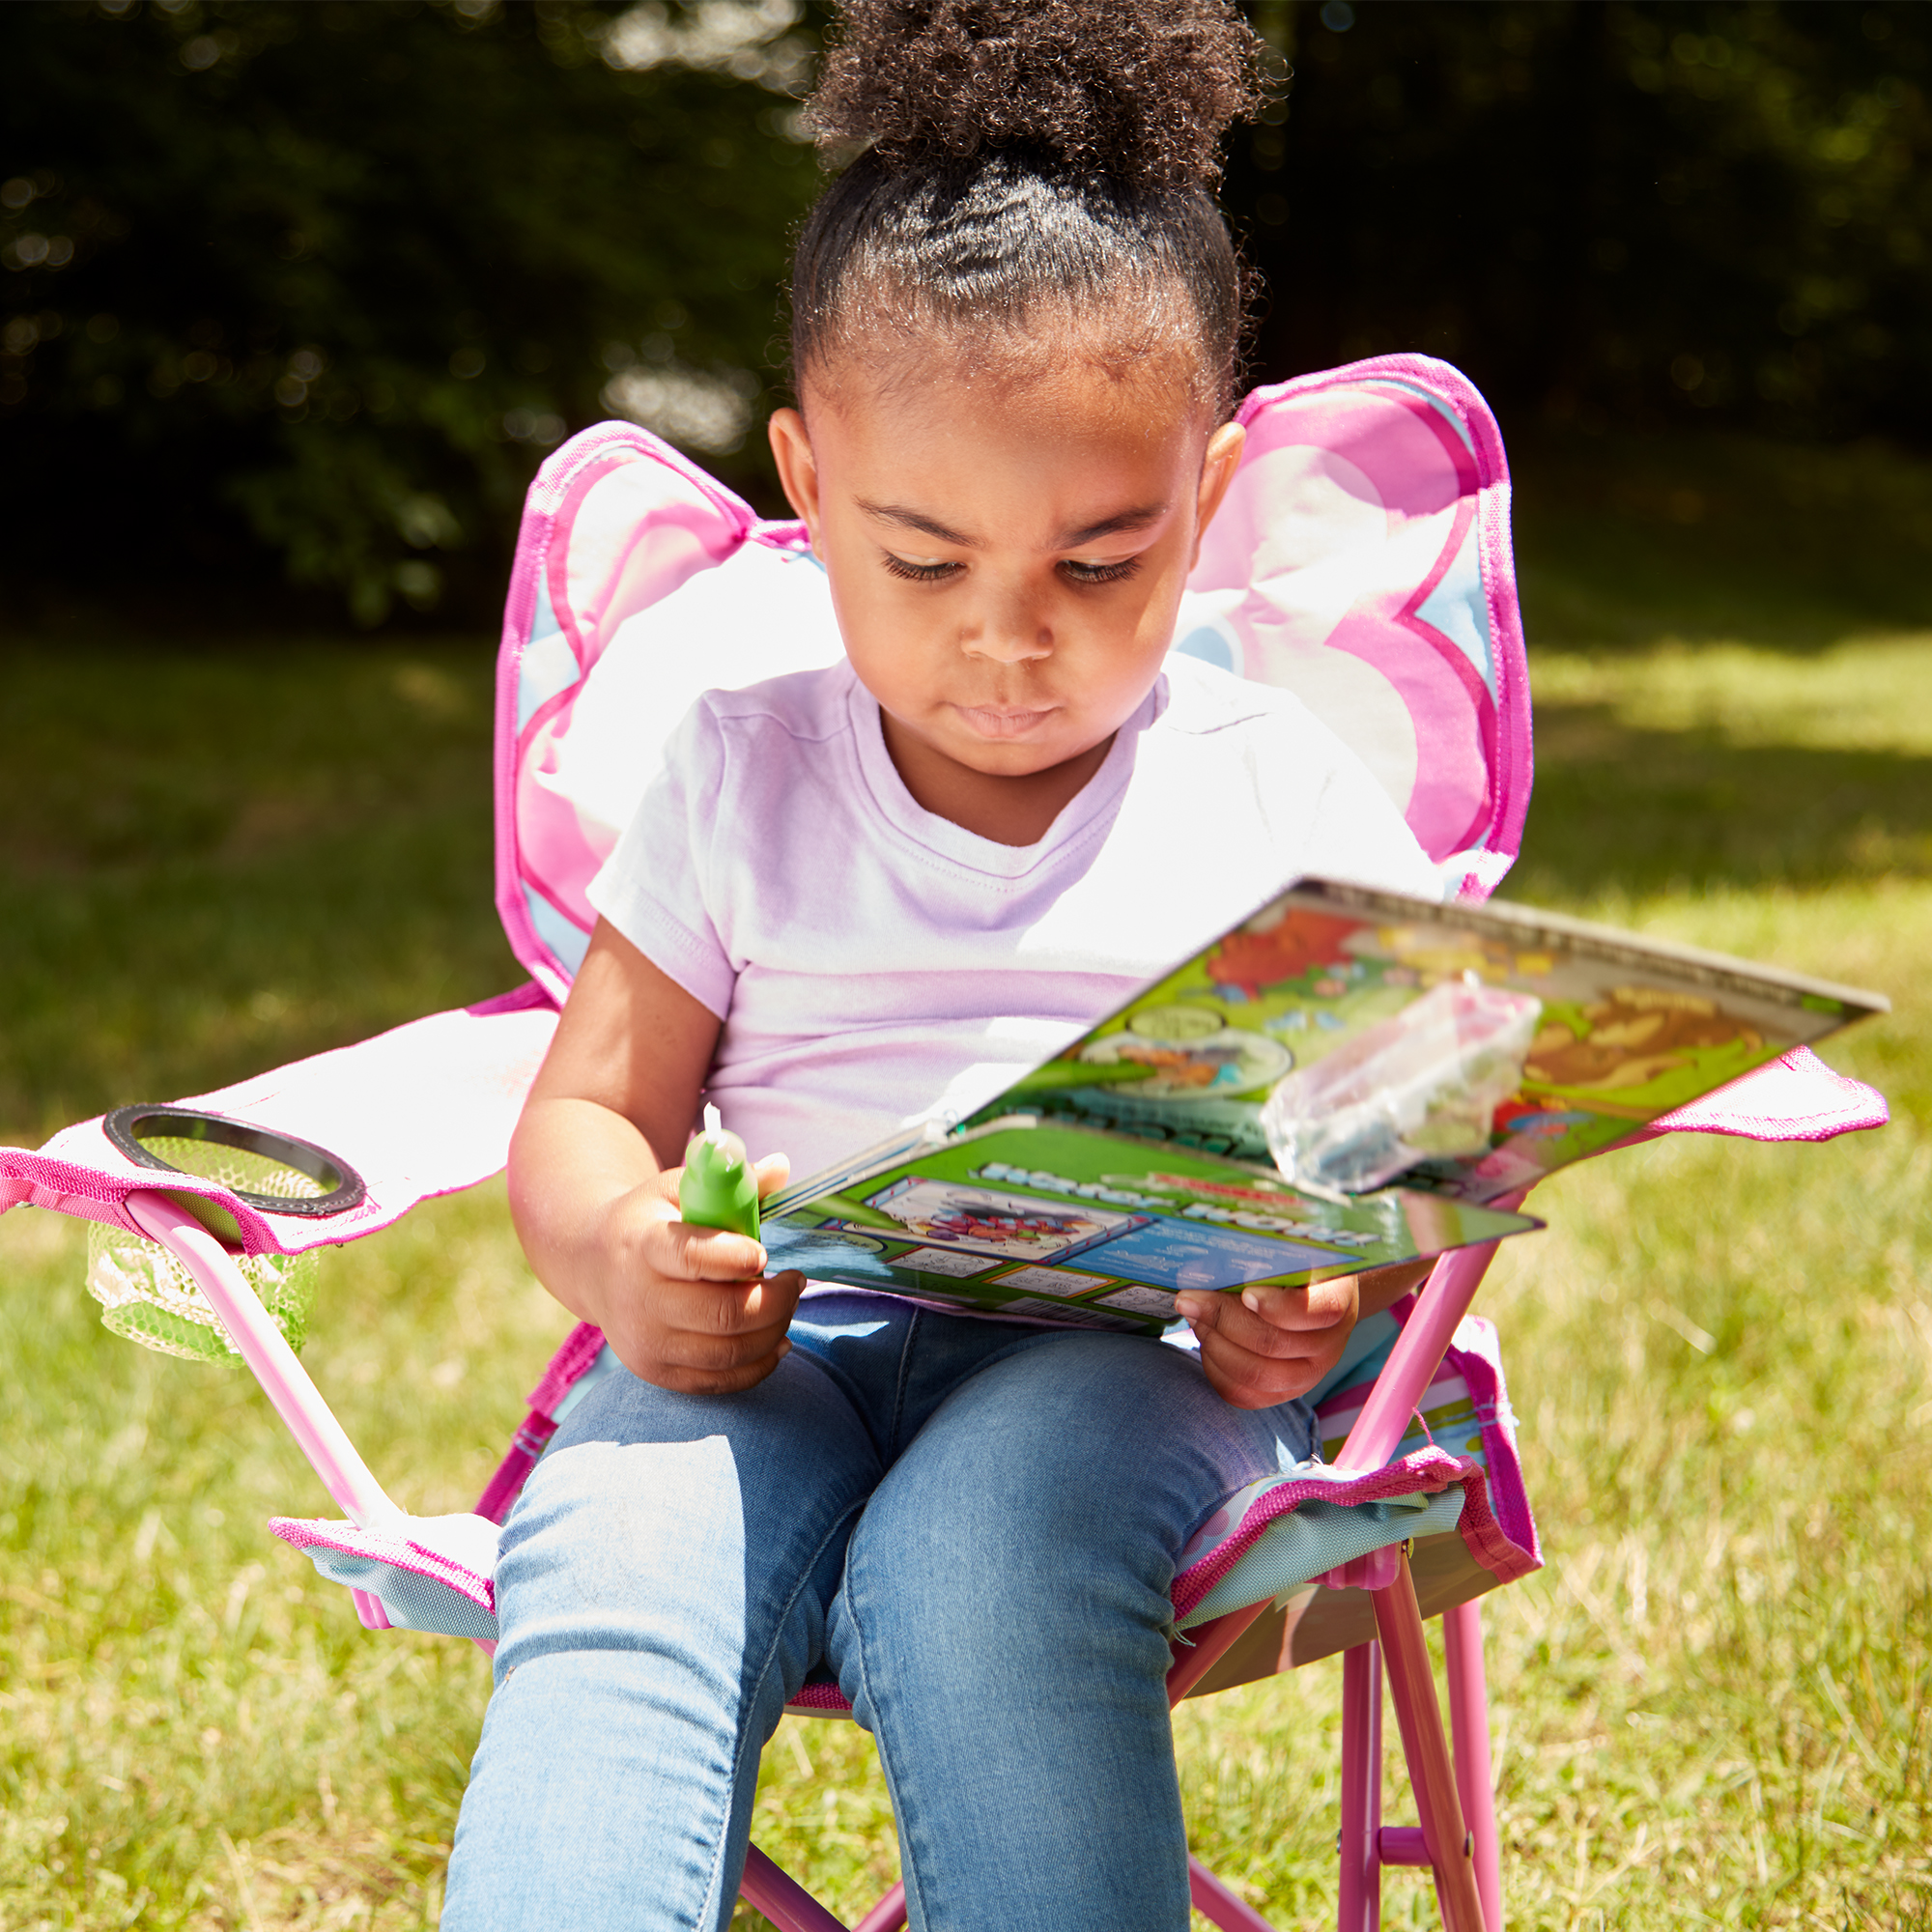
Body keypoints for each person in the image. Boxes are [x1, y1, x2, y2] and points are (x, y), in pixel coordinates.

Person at [443, 4, 1442, 1926]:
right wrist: (627, 1254)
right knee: (616, 1545)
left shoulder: (1275, 795)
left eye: (1099, 561)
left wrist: (1319, 1280)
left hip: (1127, 1369)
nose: (1007, 637)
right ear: (809, 485)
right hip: (782, 1345)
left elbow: (1404, 1136)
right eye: (922, 561)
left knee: (983, 1554)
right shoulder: (739, 770)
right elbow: (588, 1115)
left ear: (1208, 496)